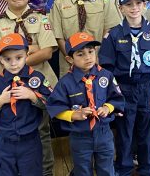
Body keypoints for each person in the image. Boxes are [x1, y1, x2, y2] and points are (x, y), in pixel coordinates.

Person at [0, 0, 58, 176]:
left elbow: (47, 52)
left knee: (41, 132)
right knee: (12, 130)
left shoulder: (41, 18)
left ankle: (46, 172)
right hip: (8, 88)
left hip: (39, 84)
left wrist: (13, 58)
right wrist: (30, 50)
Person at [99, 0, 150, 176]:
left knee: (147, 133)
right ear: (121, 8)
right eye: (128, 4)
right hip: (124, 89)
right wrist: (114, 94)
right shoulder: (114, 35)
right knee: (124, 132)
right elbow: (107, 68)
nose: (134, 8)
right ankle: (125, 169)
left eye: (138, 3)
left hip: (147, 88)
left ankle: (146, 169)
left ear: (145, 5)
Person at [48, 32, 125, 176]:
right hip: (80, 136)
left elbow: (117, 99)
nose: (88, 57)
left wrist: (107, 108)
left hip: (104, 133)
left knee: (107, 170)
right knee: (82, 171)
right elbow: (55, 108)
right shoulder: (65, 82)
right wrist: (74, 115)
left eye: (91, 51)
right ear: (70, 59)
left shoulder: (106, 76)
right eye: (80, 54)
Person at [0, 33, 52, 176]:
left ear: (27, 54)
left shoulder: (37, 77)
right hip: (5, 141)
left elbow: (51, 104)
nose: (13, 63)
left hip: (30, 140)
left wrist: (32, 96)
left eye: (18, 58)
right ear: (0, 60)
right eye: (7, 59)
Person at [50, 0, 116, 76]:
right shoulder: (59, 3)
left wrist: (95, 55)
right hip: (70, 65)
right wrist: (73, 58)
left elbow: (110, 28)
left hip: (98, 61)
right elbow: (58, 37)